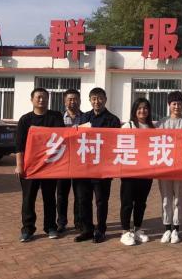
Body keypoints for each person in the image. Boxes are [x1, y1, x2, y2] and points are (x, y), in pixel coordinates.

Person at [15, 87, 65, 242]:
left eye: (44, 97)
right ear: (32, 100)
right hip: (30, 166)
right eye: (38, 97)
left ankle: (50, 227)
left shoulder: (55, 117)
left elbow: (64, 136)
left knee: (49, 197)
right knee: (28, 198)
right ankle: (27, 229)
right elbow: (19, 145)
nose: (42, 100)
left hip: (49, 166)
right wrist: (19, 165)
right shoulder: (25, 120)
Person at [74, 87, 121, 244]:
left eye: (100, 98)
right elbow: (76, 138)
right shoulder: (84, 117)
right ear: (89, 100)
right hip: (84, 166)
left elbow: (115, 143)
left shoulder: (113, 120)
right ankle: (87, 229)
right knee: (83, 199)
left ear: (105, 100)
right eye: (94, 98)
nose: (97, 101)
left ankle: (101, 229)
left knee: (101, 201)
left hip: (102, 167)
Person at [158, 91, 182, 244]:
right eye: (174, 103)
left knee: (179, 199)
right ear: (169, 105)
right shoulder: (162, 123)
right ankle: (167, 228)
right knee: (166, 198)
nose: (177, 106)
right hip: (165, 167)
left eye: (179, 104)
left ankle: (176, 229)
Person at [119, 98, 155, 246]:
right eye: (139, 108)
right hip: (129, 172)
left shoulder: (152, 128)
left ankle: (138, 229)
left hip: (146, 172)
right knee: (127, 202)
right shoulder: (127, 126)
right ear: (134, 110)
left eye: (145, 108)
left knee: (141, 202)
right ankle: (125, 231)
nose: (142, 111)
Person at [56, 89, 82, 233]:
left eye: (75, 99)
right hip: (63, 161)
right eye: (70, 99)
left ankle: (78, 222)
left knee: (79, 194)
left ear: (80, 101)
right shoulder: (57, 118)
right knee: (61, 194)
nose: (73, 102)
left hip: (79, 161)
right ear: (65, 101)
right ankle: (61, 222)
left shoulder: (86, 118)